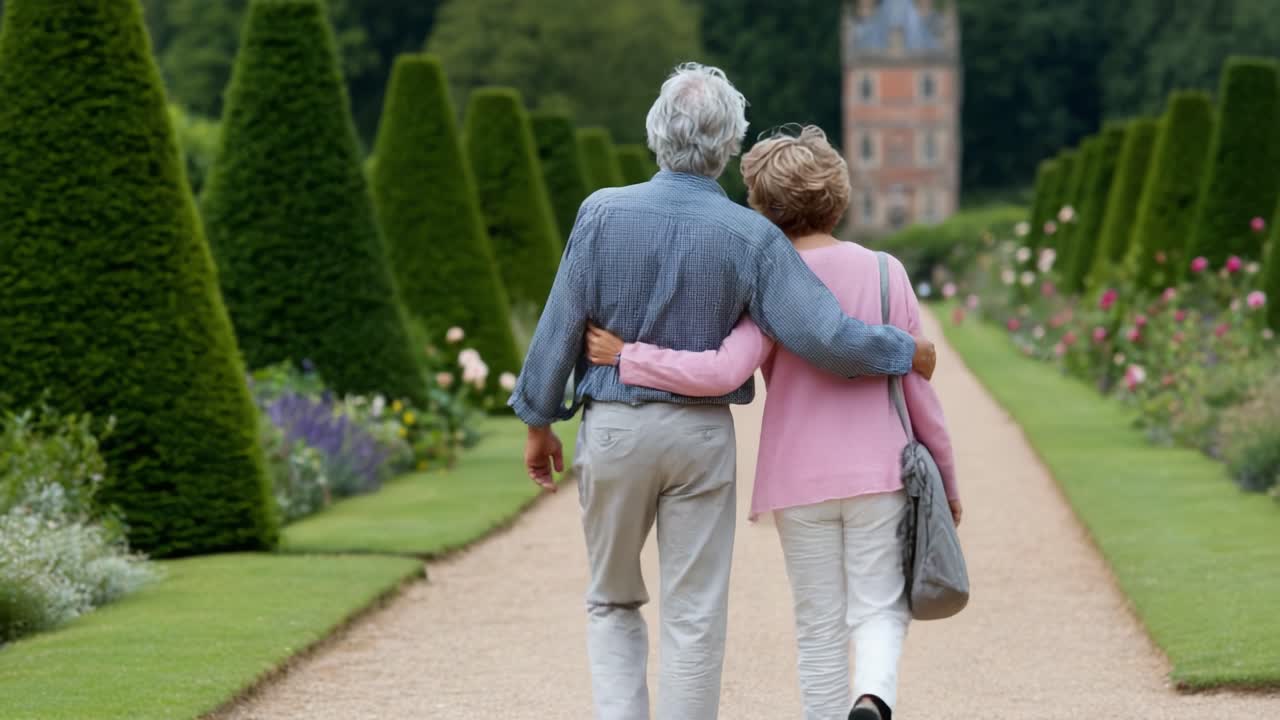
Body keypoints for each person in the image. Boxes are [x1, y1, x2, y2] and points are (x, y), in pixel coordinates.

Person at [507, 64, 937, 720]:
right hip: (701, 437)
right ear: (729, 144)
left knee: (611, 598)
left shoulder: (599, 212)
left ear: (656, 134)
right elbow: (826, 336)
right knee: (695, 614)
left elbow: (560, 323)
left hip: (617, 427)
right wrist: (907, 350)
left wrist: (539, 422)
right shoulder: (753, 236)